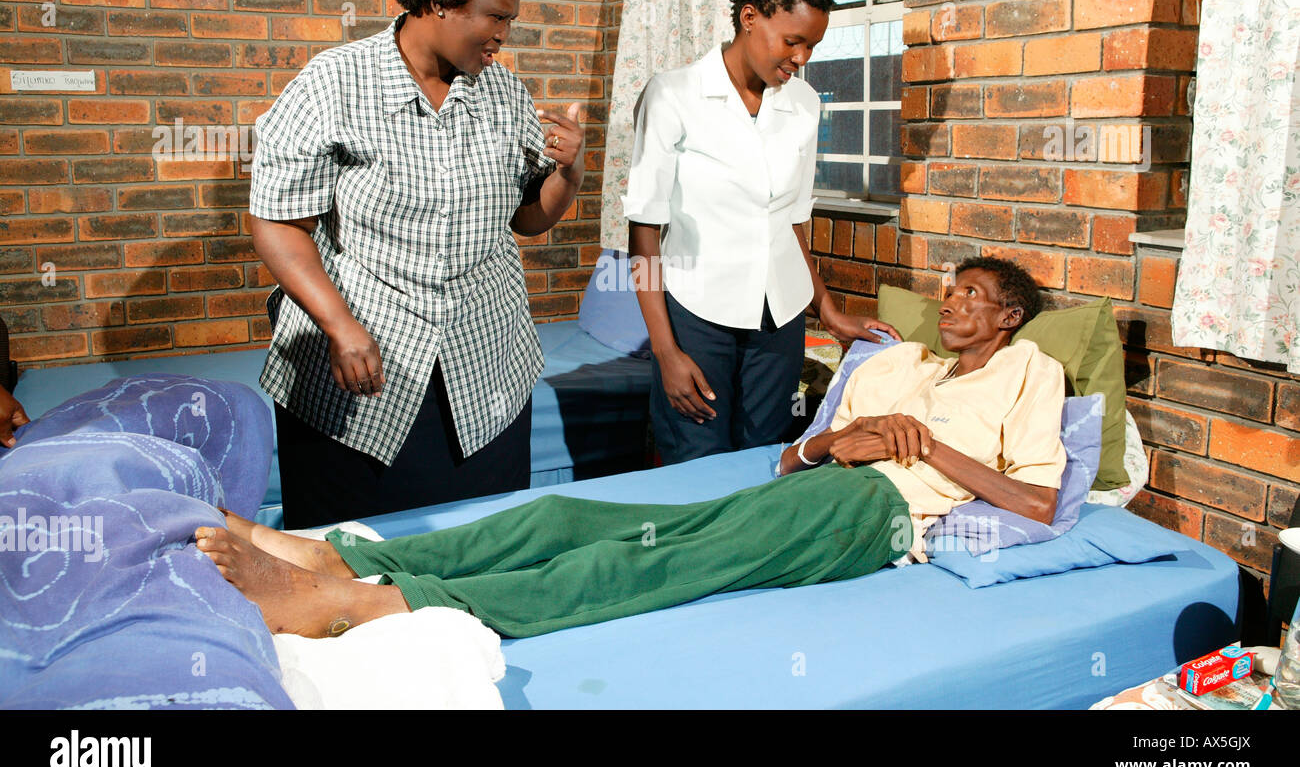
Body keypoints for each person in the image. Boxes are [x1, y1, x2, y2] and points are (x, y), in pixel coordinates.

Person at [195, 258, 1066, 640]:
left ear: (1009, 318)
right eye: (948, 289)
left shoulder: (1030, 371)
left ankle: (375, 604)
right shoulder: (898, 358)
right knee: (568, 512)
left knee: (648, 567)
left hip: (876, 513)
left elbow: (1038, 504)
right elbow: (787, 459)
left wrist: (921, 446)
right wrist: (842, 435)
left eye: (974, 295)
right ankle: (332, 549)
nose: (950, 302)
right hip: (818, 484)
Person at [248, 0, 585, 528]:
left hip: (485, 360)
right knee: (350, 550)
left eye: (510, 18)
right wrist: (340, 326)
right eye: (495, 16)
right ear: (440, 1)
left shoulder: (504, 91)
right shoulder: (334, 83)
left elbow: (528, 220)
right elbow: (276, 222)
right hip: (364, 357)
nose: (503, 34)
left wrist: (568, 175)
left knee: (479, 539)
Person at [622, 0, 900, 466]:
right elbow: (644, 234)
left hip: (782, 319)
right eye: (793, 41)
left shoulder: (804, 104)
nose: (801, 59)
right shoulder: (674, 96)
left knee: (769, 459)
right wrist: (665, 351)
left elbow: (793, 223)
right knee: (696, 465)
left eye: (812, 46)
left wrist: (829, 310)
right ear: (750, 17)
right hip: (698, 313)